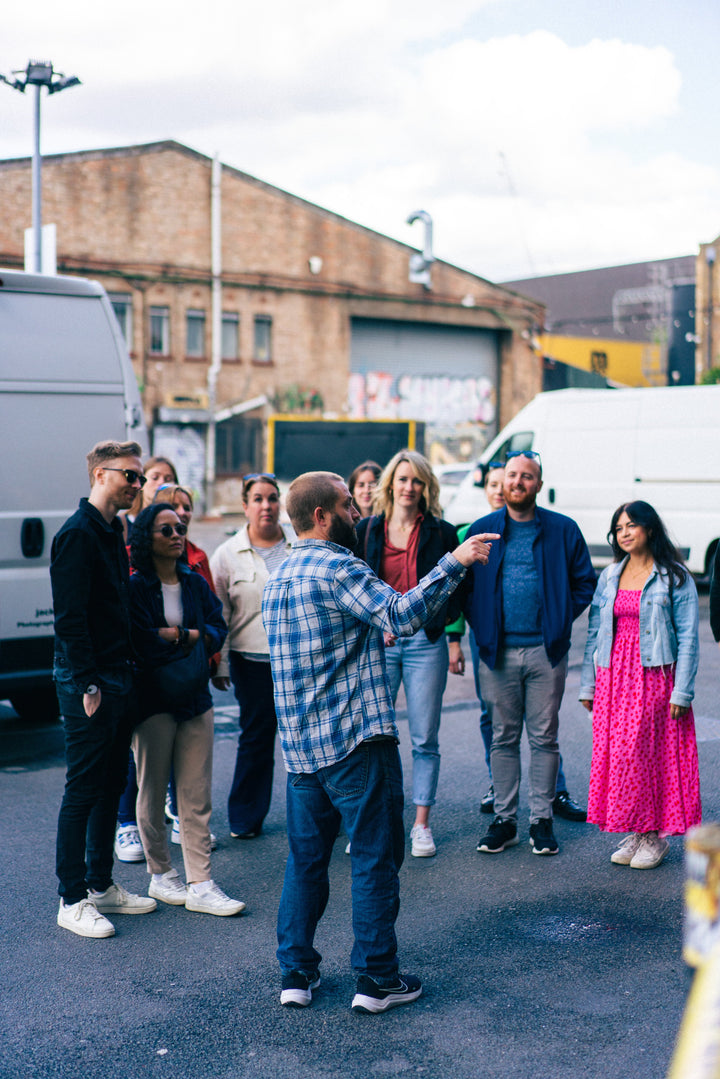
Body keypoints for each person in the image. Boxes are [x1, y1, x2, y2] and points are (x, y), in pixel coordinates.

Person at [262, 471, 497, 1012]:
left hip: (301, 751)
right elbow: (400, 615)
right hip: (355, 743)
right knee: (373, 860)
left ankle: (296, 974)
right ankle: (376, 979)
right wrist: (455, 561)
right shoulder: (339, 566)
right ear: (321, 516)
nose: (358, 513)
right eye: (348, 505)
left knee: (306, 864)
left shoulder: (279, 576)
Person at [51, 440, 157, 938]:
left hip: (119, 675)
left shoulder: (114, 529)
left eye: (140, 477)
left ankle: (100, 885)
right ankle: (71, 899)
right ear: (99, 475)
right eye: (129, 475)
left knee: (112, 782)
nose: (137, 484)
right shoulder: (77, 534)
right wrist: (89, 683)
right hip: (88, 681)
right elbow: (69, 619)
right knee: (83, 789)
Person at [467, 451, 596, 857]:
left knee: (544, 738)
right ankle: (505, 822)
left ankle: (542, 820)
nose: (518, 482)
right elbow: (463, 585)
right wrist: (481, 623)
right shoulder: (483, 530)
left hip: (545, 652)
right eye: (512, 475)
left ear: (539, 485)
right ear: (502, 481)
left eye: (527, 476)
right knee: (503, 738)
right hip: (497, 653)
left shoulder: (562, 529)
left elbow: (584, 582)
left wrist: (558, 618)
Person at [128, 503, 245, 915]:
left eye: (180, 528)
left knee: (195, 795)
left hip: (196, 695)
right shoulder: (137, 586)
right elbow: (140, 640)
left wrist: (181, 636)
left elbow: (217, 627)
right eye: (166, 530)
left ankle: (201, 883)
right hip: (152, 700)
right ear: (147, 538)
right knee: (151, 789)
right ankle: (161, 873)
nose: (177, 535)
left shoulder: (194, 582)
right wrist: (186, 640)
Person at [579, 501, 701, 869]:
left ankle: (653, 837)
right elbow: (594, 632)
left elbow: (689, 638)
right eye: (619, 528)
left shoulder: (674, 577)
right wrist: (588, 685)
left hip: (653, 676)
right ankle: (637, 828)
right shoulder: (610, 575)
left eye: (631, 525)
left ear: (649, 528)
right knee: (620, 757)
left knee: (646, 754)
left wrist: (682, 691)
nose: (625, 533)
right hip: (613, 676)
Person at [355, 450, 463, 858]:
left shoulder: (441, 531)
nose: (409, 487)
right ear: (390, 484)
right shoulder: (367, 529)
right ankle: (373, 822)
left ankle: (421, 824)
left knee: (424, 737)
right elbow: (357, 585)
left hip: (424, 643)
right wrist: (375, 623)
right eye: (402, 479)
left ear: (426, 487)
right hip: (378, 644)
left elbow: (457, 585)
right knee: (372, 736)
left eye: (417, 480)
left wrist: (442, 623)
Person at [210, 473, 293, 839]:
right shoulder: (227, 555)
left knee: (305, 740)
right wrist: (221, 664)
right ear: (245, 506)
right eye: (258, 499)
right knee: (256, 740)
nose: (266, 506)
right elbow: (221, 615)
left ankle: (320, 816)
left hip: (297, 661)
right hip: (252, 662)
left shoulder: (299, 546)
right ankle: (245, 818)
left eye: (272, 498)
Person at [114, 456, 180, 863]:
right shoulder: (125, 539)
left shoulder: (182, 554)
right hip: (137, 667)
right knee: (132, 749)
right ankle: (126, 823)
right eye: (152, 477)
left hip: (174, 673)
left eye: (167, 478)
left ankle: (170, 815)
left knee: (169, 748)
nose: (157, 484)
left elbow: (209, 618)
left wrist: (189, 638)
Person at [119, 455, 178, 543]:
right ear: (141, 482)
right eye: (155, 477)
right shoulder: (121, 524)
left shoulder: (177, 524)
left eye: (168, 479)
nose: (161, 482)